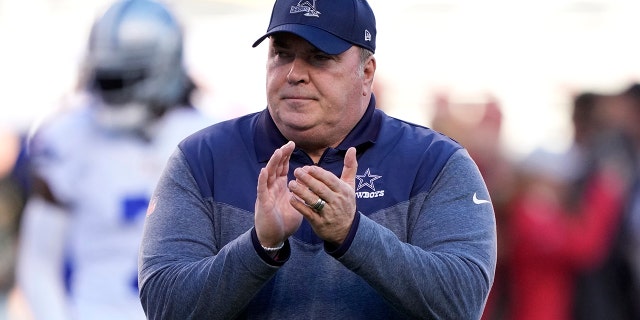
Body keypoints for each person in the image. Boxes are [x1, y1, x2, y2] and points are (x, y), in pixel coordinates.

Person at [138, 0, 497, 319]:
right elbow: (164, 306)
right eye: (281, 53)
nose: (294, 73)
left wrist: (352, 234)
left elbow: (461, 304)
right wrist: (260, 246)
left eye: (319, 57)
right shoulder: (203, 158)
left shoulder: (435, 162)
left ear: (366, 72)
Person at [15, 0, 213, 319]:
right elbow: (38, 264)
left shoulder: (207, 136)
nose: (109, 90)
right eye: (105, 76)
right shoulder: (67, 137)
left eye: (121, 78)